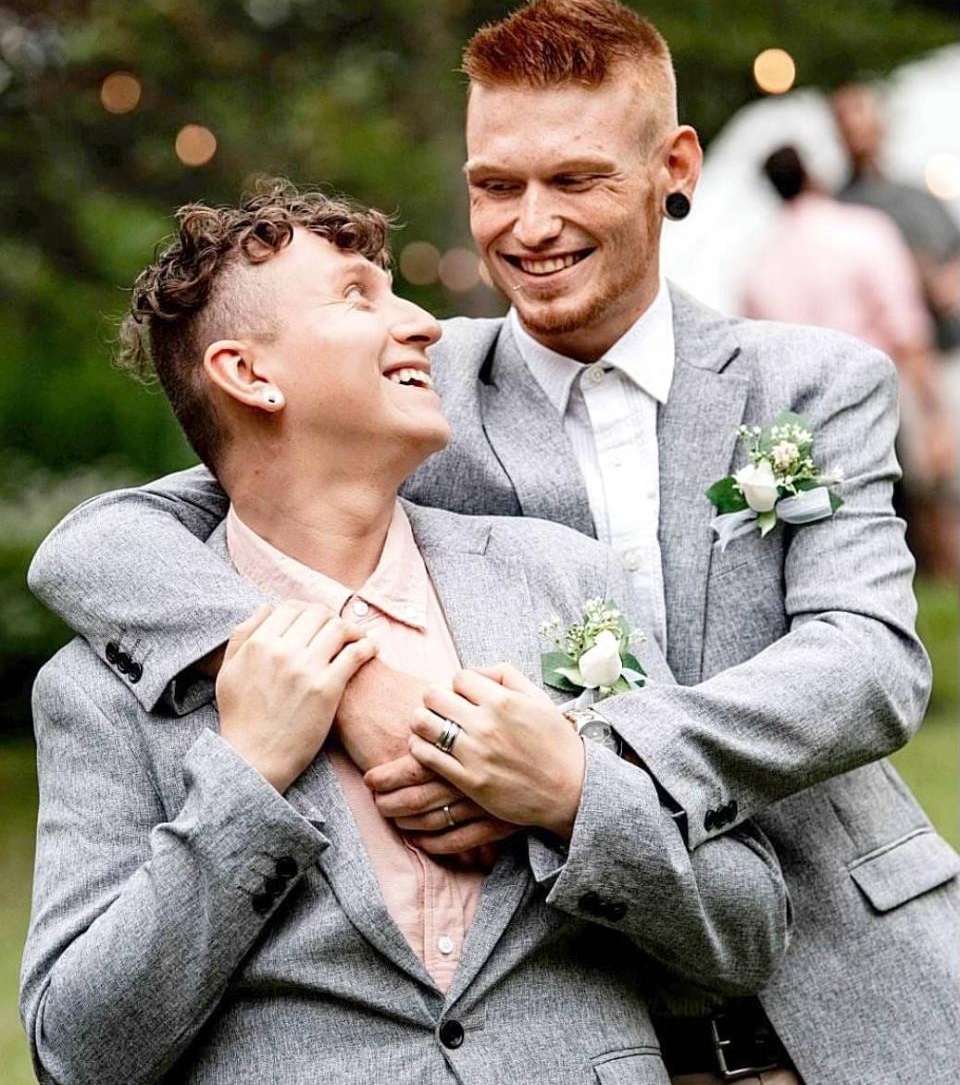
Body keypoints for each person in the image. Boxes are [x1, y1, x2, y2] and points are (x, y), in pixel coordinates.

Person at [27, 0, 960, 1085]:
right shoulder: (421, 396)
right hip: (589, 1008)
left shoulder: (809, 381)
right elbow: (102, 542)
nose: (528, 224)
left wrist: (578, 773)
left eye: (574, 180)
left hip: (838, 969)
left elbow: (867, 664)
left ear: (676, 168)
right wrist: (344, 688)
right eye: (493, 185)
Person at [20, 191, 791, 1085]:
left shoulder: (559, 580)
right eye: (358, 295)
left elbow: (748, 936)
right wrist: (244, 783)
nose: (425, 324)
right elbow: (77, 1052)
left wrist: (574, 800)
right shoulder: (98, 691)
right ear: (248, 372)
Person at [740, 143, 955, 500]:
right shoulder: (864, 231)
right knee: (912, 521)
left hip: (812, 423)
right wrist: (934, 418)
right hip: (881, 405)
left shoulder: (758, 267)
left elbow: (765, 365)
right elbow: (906, 330)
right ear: (812, 176)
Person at [832, 81, 960, 576]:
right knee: (923, 478)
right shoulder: (843, 206)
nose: (859, 129)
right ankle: (940, 571)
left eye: (864, 116)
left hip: (947, 349)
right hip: (897, 359)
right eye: (848, 120)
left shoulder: (916, 194)